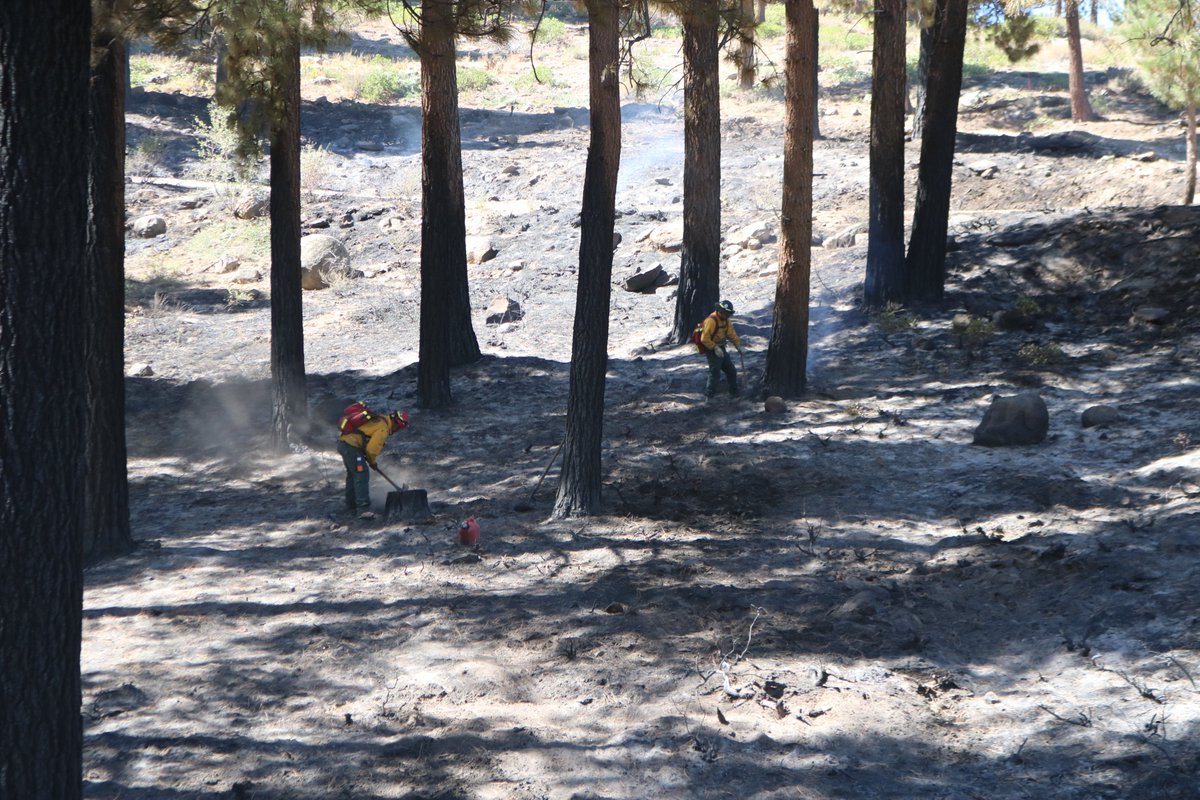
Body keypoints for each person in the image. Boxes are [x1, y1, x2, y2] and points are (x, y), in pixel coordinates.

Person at [337, 409, 409, 519]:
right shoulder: (383, 429)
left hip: (344, 444)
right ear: (395, 423)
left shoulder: (381, 419)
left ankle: (351, 505)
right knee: (361, 475)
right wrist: (372, 461)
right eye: (398, 428)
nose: (396, 430)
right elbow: (372, 449)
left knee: (353, 475)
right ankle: (363, 510)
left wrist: (370, 459)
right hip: (351, 447)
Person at [699, 299, 743, 398]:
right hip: (711, 348)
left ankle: (734, 392)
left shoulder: (726, 320)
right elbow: (704, 338)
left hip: (721, 347)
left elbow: (732, 334)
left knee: (731, 370)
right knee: (715, 371)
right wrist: (714, 347)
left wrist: (738, 346)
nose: (727, 316)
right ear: (720, 311)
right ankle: (709, 395)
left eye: (728, 314)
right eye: (726, 314)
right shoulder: (711, 321)